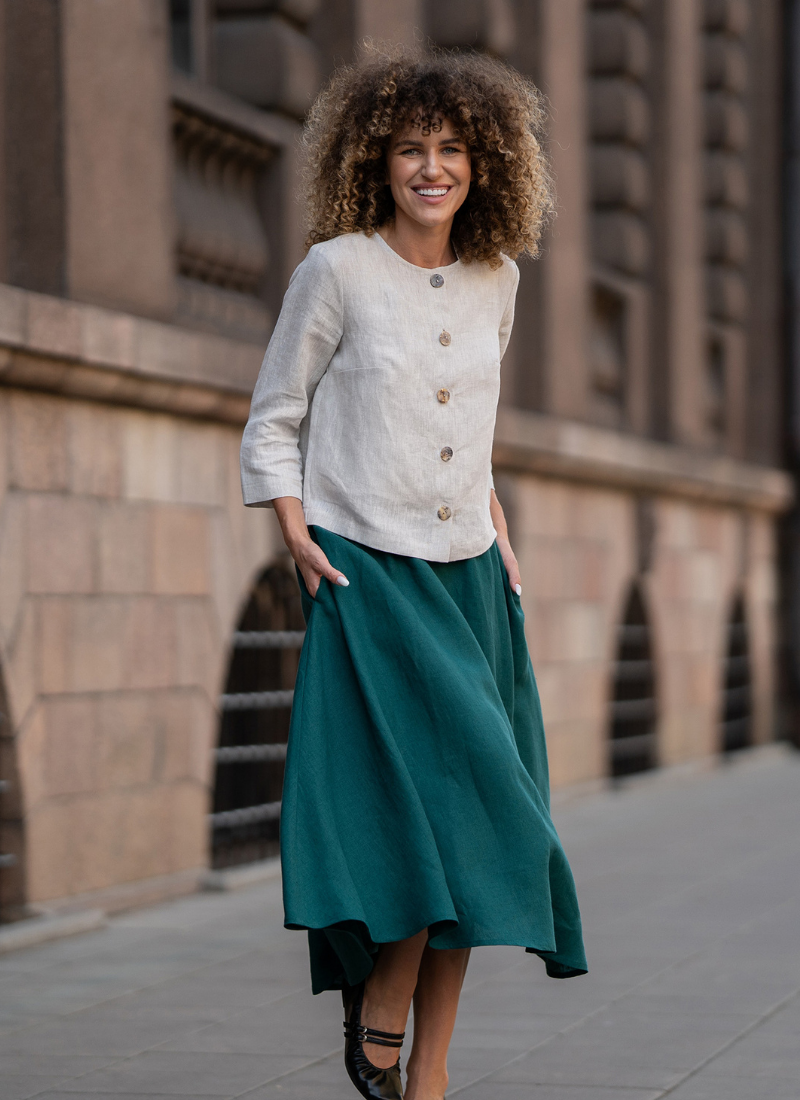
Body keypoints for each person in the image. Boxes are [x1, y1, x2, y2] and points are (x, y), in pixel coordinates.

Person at [240, 45, 586, 1100]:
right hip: (365, 572)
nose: (429, 167)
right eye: (408, 149)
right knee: (406, 816)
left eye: (449, 149)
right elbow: (275, 416)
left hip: (472, 577)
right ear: (375, 161)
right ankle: (381, 994)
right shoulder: (335, 270)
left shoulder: (498, 280)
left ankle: (426, 1068)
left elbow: (468, 430)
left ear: (483, 163)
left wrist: (496, 517)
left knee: (487, 818)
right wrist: (296, 532)